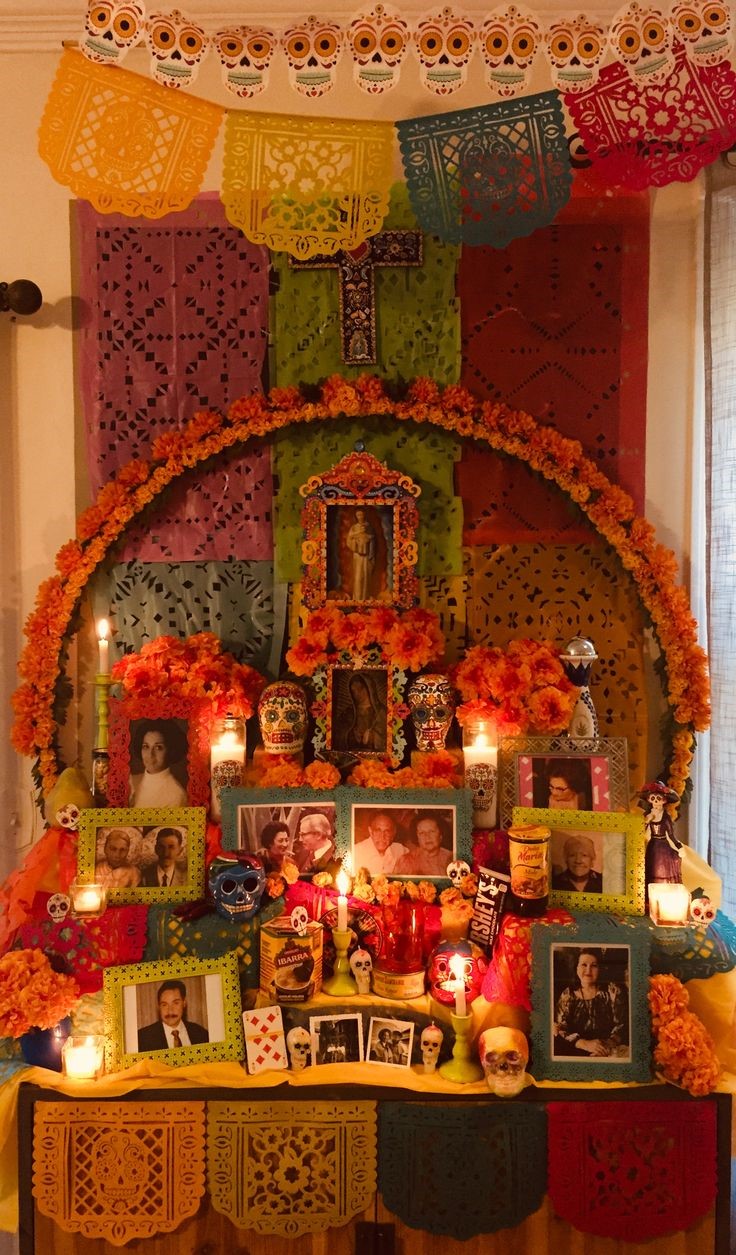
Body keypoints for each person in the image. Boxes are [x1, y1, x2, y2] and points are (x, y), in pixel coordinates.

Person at [554, 948, 628, 1058]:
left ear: (600, 969)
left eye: (594, 965)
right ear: (576, 968)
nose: (588, 970)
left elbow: (622, 1025)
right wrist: (583, 1043)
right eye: (584, 965)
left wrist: (605, 1046)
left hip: (608, 1051)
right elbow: (560, 1028)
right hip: (576, 1051)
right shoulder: (567, 995)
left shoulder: (612, 991)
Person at [129, 720, 188, 808]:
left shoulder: (176, 796)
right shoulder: (131, 781)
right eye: (146, 746)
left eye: (158, 747)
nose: (150, 754)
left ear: (170, 751)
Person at [137, 979, 208, 1051]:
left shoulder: (201, 1034)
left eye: (176, 1003)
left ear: (184, 1003)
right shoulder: (142, 1038)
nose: (170, 1011)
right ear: (158, 1007)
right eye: (164, 1005)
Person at [638, 779, 683, 886]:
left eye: (658, 798)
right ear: (649, 800)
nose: (656, 801)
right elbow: (641, 832)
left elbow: (671, 835)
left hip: (663, 847)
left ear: (664, 800)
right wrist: (646, 821)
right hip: (652, 846)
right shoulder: (647, 815)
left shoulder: (666, 817)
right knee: (652, 866)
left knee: (662, 868)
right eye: (653, 798)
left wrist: (679, 847)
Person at [395, 813, 453, 878]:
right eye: (422, 833)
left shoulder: (451, 859)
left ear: (440, 835)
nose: (427, 837)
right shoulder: (407, 862)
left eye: (431, 831)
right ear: (417, 837)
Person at [353, 810, 409, 876]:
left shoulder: (400, 850)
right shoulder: (356, 853)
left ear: (393, 833)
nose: (382, 837)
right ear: (371, 832)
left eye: (387, 831)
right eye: (378, 830)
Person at [342, 673, 386, 754]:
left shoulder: (381, 711)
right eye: (353, 691)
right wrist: (352, 734)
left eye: (360, 688)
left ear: (370, 688)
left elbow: (387, 737)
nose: (357, 694)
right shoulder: (348, 712)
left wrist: (372, 736)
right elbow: (339, 736)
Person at [345, 507, 376, 601]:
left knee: (366, 577)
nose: (360, 516)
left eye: (361, 514)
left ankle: (365, 598)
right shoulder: (354, 528)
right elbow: (349, 540)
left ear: (364, 515)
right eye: (358, 515)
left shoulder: (369, 527)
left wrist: (368, 537)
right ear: (356, 516)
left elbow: (372, 539)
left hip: (367, 555)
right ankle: (357, 598)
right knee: (358, 577)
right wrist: (357, 535)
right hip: (358, 555)